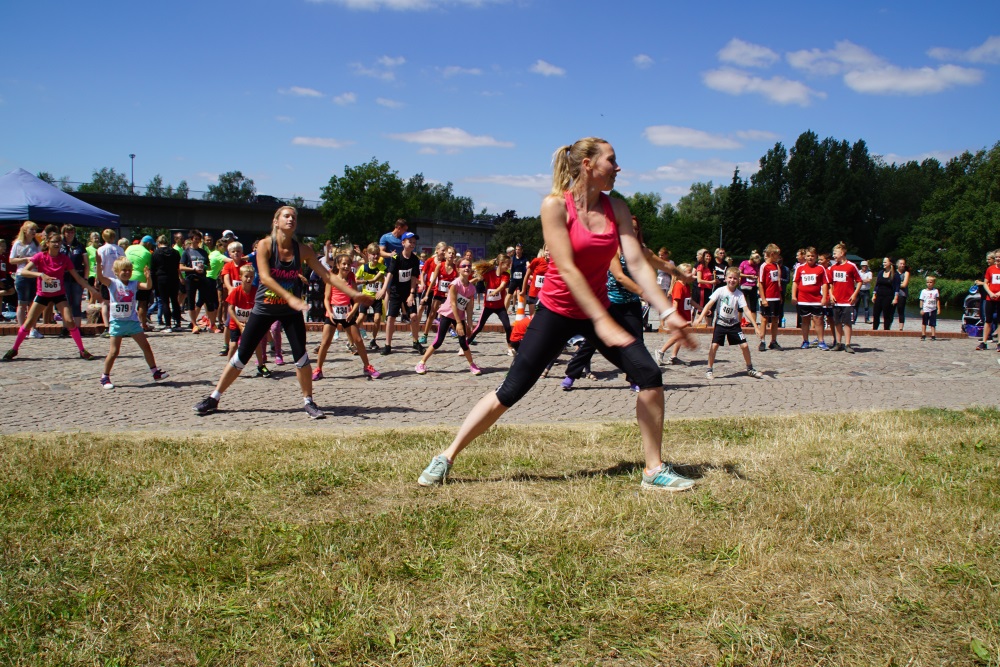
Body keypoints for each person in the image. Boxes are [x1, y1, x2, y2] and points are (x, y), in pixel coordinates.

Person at [416, 137, 697, 492]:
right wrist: (602, 321)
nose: (618, 167)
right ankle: (447, 456)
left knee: (649, 374)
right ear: (588, 165)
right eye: (611, 160)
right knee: (511, 390)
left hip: (597, 309)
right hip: (557, 312)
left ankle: (653, 469)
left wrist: (668, 310)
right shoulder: (555, 206)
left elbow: (638, 263)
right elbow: (565, 267)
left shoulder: (617, 208)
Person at [194, 206, 373, 418]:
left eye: (294, 217)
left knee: (301, 356)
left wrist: (354, 294)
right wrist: (289, 297)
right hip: (264, 309)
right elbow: (265, 277)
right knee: (242, 355)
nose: (291, 219)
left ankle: (309, 402)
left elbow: (328, 276)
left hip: (290, 312)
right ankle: (214, 397)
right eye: (286, 216)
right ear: (276, 221)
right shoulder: (265, 245)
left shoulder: (303, 250)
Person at [3, 230, 102, 362]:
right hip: (42, 294)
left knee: (70, 321)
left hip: (59, 295)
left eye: (59, 242)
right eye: (54, 242)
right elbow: (24, 271)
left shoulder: (64, 258)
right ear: (48, 243)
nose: (57, 244)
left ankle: (82, 350)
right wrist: (40, 275)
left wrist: (92, 290)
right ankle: (14, 349)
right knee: (28, 323)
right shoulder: (40, 256)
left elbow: (77, 277)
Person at [95, 257, 168, 388]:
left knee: (146, 347)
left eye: (129, 270)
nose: (127, 272)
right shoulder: (112, 282)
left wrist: (148, 277)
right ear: (116, 271)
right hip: (117, 322)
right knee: (114, 352)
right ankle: (105, 377)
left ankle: (155, 372)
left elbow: (148, 286)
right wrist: (99, 264)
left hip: (132, 322)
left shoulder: (134, 283)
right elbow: (100, 278)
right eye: (124, 270)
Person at [314, 253, 381, 380]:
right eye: (344, 264)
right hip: (333, 314)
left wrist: (352, 312)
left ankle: (367, 366)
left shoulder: (351, 279)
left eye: (349, 264)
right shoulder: (331, 279)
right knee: (325, 342)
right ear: (338, 265)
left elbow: (356, 299)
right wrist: (330, 312)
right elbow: (326, 299)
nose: (346, 266)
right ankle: (318, 369)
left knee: (359, 340)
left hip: (347, 314)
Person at [693, 266, 764, 380]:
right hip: (721, 323)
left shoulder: (739, 294)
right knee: (714, 346)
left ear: (738, 280)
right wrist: (700, 318)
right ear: (725, 278)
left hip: (734, 324)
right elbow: (709, 304)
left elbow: (746, 310)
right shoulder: (720, 291)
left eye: (735, 278)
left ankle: (750, 368)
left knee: (744, 345)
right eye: (730, 278)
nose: (732, 280)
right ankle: (709, 369)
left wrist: (756, 326)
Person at [414, 257, 482, 375]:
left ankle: (472, 364)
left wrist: (469, 325)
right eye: (464, 266)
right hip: (447, 314)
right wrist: (459, 323)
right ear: (458, 269)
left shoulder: (471, 288)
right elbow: (453, 304)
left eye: (469, 266)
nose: (467, 268)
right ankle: (421, 362)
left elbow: (469, 307)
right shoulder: (455, 284)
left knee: (463, 342)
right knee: (439, 341)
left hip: (459, 316)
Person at [376, 232, 425, 356]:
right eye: (410, 241)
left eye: (414, 242)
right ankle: (387, 345)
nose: (412, 244)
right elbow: (390, 274)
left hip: (408, 292)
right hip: (396, 291)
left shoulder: (415, 259)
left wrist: (412, 294)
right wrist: (383, 289)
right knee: (391, 318)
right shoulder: (396, 258)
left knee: (413, 316)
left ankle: (415, 342)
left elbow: (414, 277)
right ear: (403, 243)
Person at [466, 254, 514, 355]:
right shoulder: (489, 273)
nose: (509, 267)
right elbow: (478, 279)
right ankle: (465, 345)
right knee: (479, 327)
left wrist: (495, 291)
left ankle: (510, 347)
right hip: (488, 307)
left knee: (507, 327)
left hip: (500, 307)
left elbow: (502, 286)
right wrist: (466, 283)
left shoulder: (506, 275)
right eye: (507, 264)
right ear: (501, 263)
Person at [179, 230, 219, 333]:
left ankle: (212, 324)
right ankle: (194, 324)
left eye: (198, 239)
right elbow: (181, 267)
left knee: (208, 301)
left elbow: (208, 266)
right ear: (191, 239)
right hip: (191, 278)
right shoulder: (186, 252)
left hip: (202, 278)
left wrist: (203, 266)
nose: (197, 241)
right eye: (195, 239)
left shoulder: (203, 252)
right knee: (191, 301)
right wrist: (193, 269)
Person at [655, 263, 694, 365]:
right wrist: (675, 317)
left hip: (684, 316)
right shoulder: (678, 286)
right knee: (677, 336)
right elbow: (675, 303)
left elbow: (689, 300)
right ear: (681, 274)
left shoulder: (687, 286)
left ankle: (673, 357)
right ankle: (661, 351)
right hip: (679, 316)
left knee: (680, 336)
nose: (692, 274)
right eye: (689, 272)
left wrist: (699, 308)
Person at [792, 248, 830, 350]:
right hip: (803, 299)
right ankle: (805, 341)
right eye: (808, 256)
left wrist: (824, 297)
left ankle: (821, 341)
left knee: (819, 320)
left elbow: (825, 283)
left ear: (816, 257)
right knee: (805, 321)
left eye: (812, 256)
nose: (810, 258)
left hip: (816, 299)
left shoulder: (820, 268)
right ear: (805, 257)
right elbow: (795, 282)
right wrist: (793, 296)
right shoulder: (800, 268)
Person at [828, 243, 862, 353]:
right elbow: (830, 283)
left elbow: (859, 281)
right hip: (836, 300)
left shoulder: (851, 266)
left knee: (847, 322)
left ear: (842, 253)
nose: (833, 256)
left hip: (847, 300)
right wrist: (831, 294)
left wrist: (854, 294)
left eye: (835, 253)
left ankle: (847, 344)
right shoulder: (833, 268)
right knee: (837, 322)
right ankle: (838, 343)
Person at [10, 221, 41, 338]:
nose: (34, 232)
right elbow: (11, 260)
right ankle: (22, 330)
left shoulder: (36, 244)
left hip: (34, 275)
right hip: (22, 275)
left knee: (33, 304)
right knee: (22, 303)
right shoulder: (18, 244)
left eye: (35, 230)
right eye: (31, 230)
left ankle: (33, 329)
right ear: (25, 231)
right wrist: (25, 259)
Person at [355, 243, 387, 351]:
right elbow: (355, 279)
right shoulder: (363, 267)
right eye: (373, 254)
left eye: (377, 254)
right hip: (365, 296)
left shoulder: (382, 267)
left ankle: (373, 339)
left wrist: (365, 281)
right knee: (360, 318)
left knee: (377, 318)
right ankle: (352, 338)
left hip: (376, 297)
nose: (375, 256)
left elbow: (376, 279)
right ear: (368, 255)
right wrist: (363, 282)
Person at [95, 228, 126, 335]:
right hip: (119, 279)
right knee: (118, 303)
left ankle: (106, 327)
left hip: (106, 279)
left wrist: (97, 279)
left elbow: (100, 265)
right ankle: (120, 325)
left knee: (105, 303)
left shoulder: (101, 249)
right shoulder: (120, 249)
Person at [60, 224, 89, 333]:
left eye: (72, 232)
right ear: (64, 233)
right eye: (68, 232)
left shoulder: (80, 246)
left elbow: (86, 264)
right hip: (64, 277)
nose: (70, 234)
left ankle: (77, 327)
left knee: (77, 303)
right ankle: (65, 327)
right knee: (65, 303)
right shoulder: (60, 245)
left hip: (77, 277)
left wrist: (85, 279)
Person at [124, 235, 155, 331]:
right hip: (141, 279)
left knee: (128, 302)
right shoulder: (147, 253)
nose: (151, 247)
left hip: (128, 277)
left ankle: (127, 323)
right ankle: (143, 325)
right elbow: (148, 268)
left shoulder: (129, 248)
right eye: (151, 245)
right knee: (142, 303)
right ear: (148, 244)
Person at [756, 244, 783, 351]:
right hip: (767, 297)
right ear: (772, 254)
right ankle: (762, 340)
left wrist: (780, 294)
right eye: (777, 255)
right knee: (764, 319)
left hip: (776, 296)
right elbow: (761, 283)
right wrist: (763, 298)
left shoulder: (776, 265)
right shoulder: (764, 266)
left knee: (775, 319)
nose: (778, 257)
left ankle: (774, 341)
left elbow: (777, 281)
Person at [976, 251, 1000, 351]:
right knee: (988, 320)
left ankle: (999, 343)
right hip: (990, 298)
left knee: (999, 321)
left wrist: (998, 293)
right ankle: (984, 342)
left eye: (999, 257)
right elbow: (986, 283)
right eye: (997, 257)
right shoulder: (990, 269)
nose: (998, 259)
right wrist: (990, 293)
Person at [871, 257, 899, 331]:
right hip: (879, 295)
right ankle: (875, 329)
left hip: (888, 296)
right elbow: (877, 285)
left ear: (890, 263)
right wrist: (874, 294)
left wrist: (895, 298)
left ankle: (886, 330)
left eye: (885, 262)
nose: (883, 264)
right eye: (883, 262)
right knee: (876, 313)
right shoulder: (881, 273)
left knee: (886, 314)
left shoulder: (895, 274)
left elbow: (897, 287)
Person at [521, 245, 550, 316]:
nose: (549, 252)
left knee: (543, 317)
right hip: (534, 293)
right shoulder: (537, 261)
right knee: (532, 317)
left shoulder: (555, 264)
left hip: (546, 295)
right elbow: (527, 275)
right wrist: (523, 290)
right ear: (544, 251)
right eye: (547, 250)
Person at [739, 251, 760, 327]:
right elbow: (739, 273)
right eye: (753, 263)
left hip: (753, 286)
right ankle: (738, 322)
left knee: (753, 306)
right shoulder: (744, 263)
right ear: (751, 259)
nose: (754, 264)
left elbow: (758, 274)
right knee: (741, 306)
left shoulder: (756, 266)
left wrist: (757, 280)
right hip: (744, 286)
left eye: (756, 263)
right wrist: (748, 276)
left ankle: (753, 323)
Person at [507, 243, 529, 313]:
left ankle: (523, 310)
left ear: (522, 250)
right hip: (514, 280)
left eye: (519, 249)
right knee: (509, 295)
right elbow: (507, 264)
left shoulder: (525, 258)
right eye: (516, 249)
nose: (517, 251)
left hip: (522, 281)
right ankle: (505, 310)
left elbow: (528, 264)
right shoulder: (512, 258)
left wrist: (528, 266)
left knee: (523, 295)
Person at [919, 276, 941, 342]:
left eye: (931, 282)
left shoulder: (936, 291)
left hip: (933, 309)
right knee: (924, 322)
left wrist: (938, 308)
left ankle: (933, 335)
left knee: (933, 323)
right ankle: (923, 334)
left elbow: (937, 300)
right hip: (925, 309)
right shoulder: (923, 291)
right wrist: (921, 308)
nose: (929, 283)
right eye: (927, 282)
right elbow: (921, 300)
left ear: (933, 283)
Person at [895, 258, 911, 331]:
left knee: (901, 310)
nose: (902, 265)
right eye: (901, 263)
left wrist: (896, 284)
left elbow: (904, 285)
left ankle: (901, 328)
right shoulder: (894, 272)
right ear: (897, 264)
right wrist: (899, 284)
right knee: (890, 310)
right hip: (893, 294)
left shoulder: (906, 273)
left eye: (903, 264)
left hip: (902, 294)